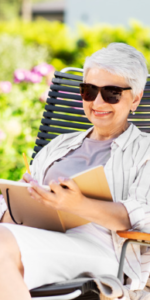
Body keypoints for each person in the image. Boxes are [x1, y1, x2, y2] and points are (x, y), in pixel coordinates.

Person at [0, 42, 150, 300]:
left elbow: (143, 216)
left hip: (105, 251)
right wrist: (19, 203)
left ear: (135, 98)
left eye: (111, 93)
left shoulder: (145, 151)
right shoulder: (59, 145)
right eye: (89, 91)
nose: (98, 101)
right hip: (40, 235)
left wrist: (78, 204)